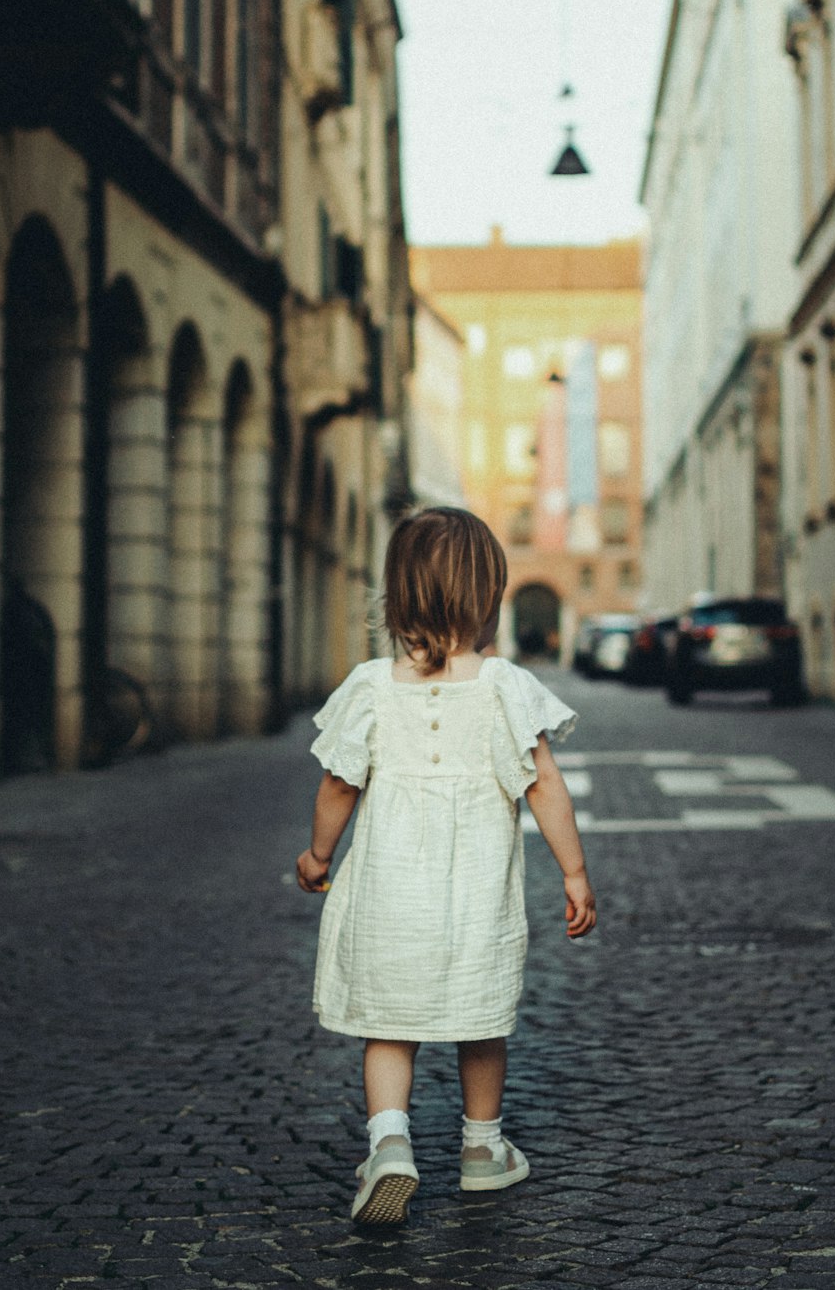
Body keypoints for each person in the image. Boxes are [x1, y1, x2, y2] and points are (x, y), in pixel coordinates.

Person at [296, 506, 597, 1226]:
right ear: (487, 597)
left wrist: (317, 854)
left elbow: (339, 783)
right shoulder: (502, 687)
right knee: (479, 1017)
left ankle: (390, 1143)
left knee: (389, 1026)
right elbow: (543, 784)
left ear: (397, 596)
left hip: (388, 893)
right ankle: (482, 1151)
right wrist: (575, 873)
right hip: (473, 898)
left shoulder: (372, 686)